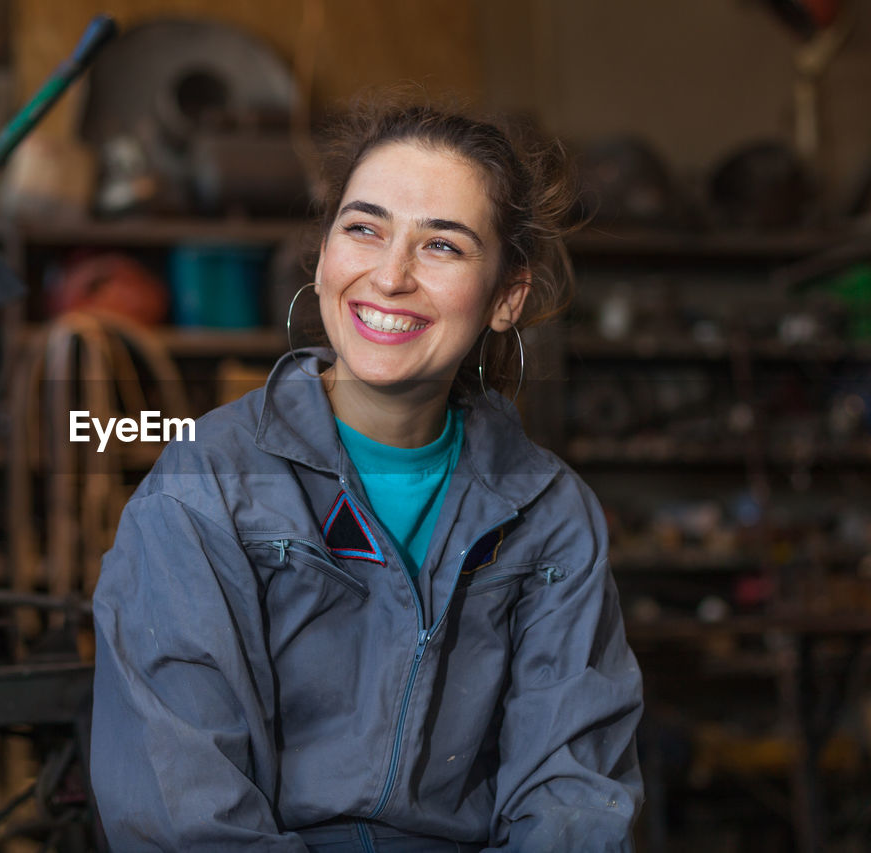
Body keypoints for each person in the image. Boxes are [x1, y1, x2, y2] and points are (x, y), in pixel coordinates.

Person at [90, 97, 644, 852]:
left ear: (507, 295)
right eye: (364, 228)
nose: (389, 276)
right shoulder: (204, 486)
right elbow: (186, 811)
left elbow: (571, 793)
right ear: (322, 256)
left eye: (442, 246)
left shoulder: (551, 516)